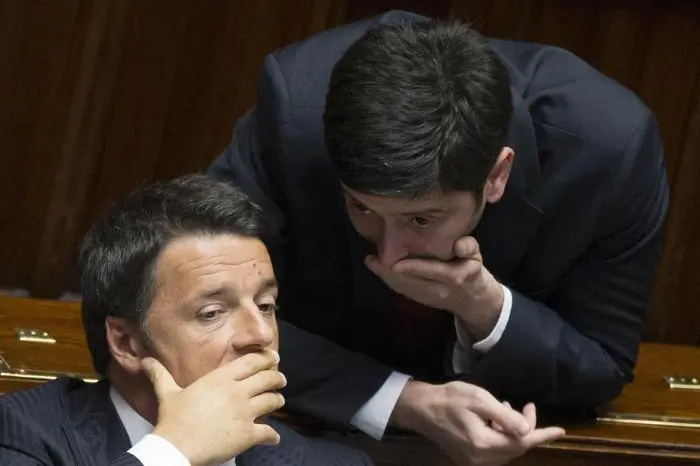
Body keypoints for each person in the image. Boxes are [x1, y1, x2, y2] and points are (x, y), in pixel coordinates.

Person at [208, 9, 669, 466]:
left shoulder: (608, 150)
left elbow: (600, 366)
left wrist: (485, 308)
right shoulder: (295, 112)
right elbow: (201, 314)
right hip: (303, 428)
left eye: (422, 220)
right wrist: (406, 401)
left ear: (496, 175)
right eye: (361, 207)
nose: (388, 254)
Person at [0, 174, 373, 466]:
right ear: (127, 343)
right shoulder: (23, 434)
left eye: (265, 305)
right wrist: (174, 451)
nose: (260, 334)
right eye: (212, 313)